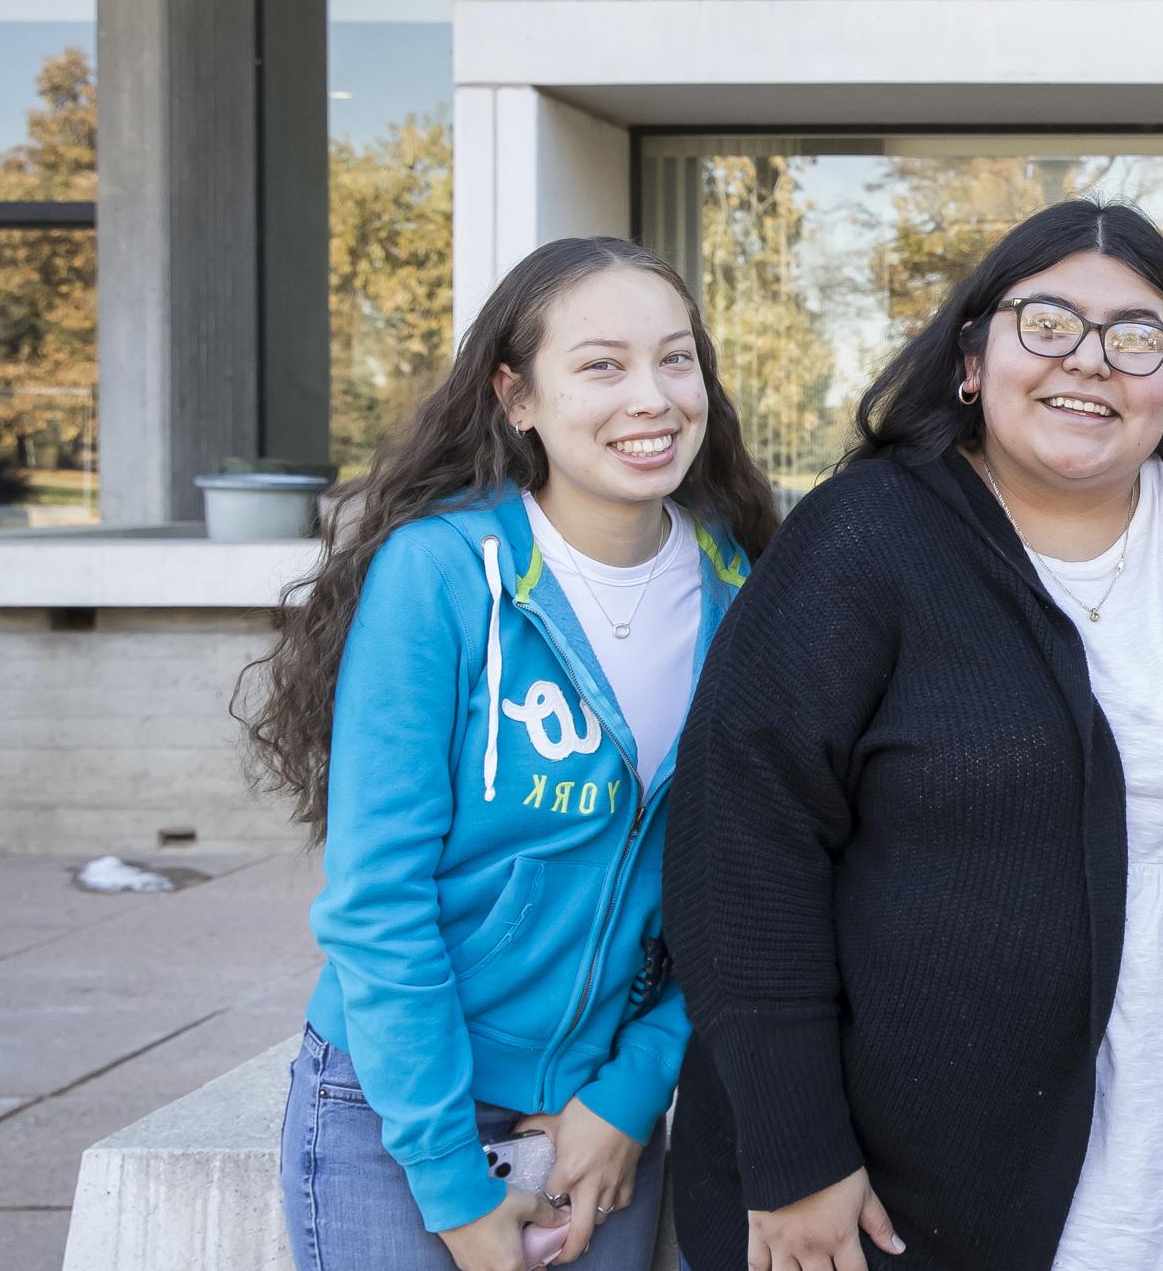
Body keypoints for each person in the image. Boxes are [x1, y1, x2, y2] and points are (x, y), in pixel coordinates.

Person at [662, 199, 1163, 1271]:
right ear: (973, 355)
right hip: (900, 1195)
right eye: (1047, 323)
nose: (1091, 362)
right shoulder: (865, 538)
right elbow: (742, 854)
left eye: (1136, 337)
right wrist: (795, 1149)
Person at [241, 236, 780, 1271]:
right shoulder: (440, 575)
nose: (654, 397)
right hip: (395, 1115)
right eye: (601, 365)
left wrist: (627, 1097)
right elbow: (378, 899)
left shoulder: (742, 589)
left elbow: (739, 889)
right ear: (516, 395)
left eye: (677, 360)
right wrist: (450, 1180)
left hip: (596, 1118)